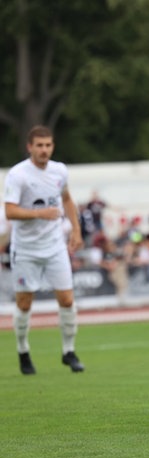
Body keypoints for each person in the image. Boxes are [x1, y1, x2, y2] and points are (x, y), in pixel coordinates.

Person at [3, 125, 85, 375]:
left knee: (67, 299)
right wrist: (41, 213)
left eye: (48, 145)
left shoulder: (59, 170)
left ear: (52, 146)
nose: (44, 150)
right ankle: (23, 351)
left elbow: (67, 199)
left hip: (54, 247)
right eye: (39, 145)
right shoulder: (18, 175)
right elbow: (10, 211)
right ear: (30, 147)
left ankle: (68, 352)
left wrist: (76, 230)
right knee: (25, 304)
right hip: (26, 249)